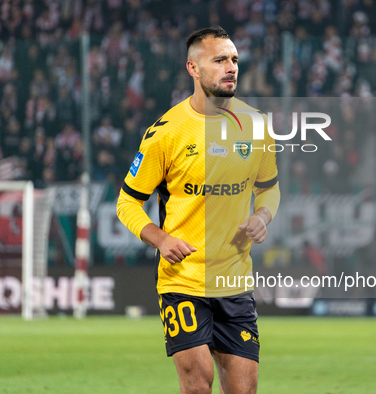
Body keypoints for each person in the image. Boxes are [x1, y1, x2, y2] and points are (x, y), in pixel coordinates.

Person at [117, 27, 280, 394]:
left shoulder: (255, 125)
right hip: (183, 280)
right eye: (220, 60)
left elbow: (270, 189)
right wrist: (160, 239)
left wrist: (262, 215)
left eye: (234, 60)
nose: (231, 67)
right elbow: (127, 201)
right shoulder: (165, 133)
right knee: (197, 381)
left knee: (244, 389)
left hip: (234, 280)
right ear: (193, 67)